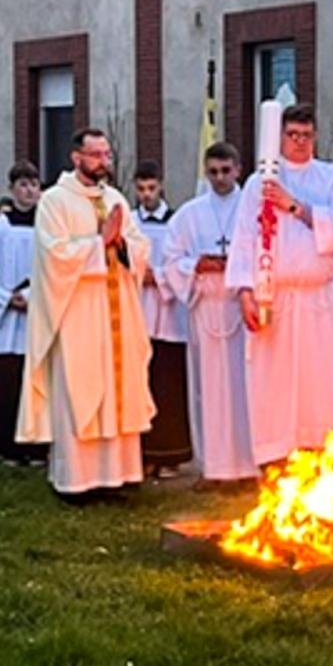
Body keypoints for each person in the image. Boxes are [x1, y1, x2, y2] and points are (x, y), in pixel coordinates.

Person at [17, 128, 155, 499]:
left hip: (118, 310)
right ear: (76, 158)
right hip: (78, 310)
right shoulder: (56, 201)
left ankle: (119, 476)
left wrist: (122, 243)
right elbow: (54, 256)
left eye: (107, 155)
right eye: (96, 155)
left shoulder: (115, 199)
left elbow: (140, 246)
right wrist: (100, 243)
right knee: (81, 387)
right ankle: (76, 480)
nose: (103, 162)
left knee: (119, 388)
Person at [226, 103, 333, 463]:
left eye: (306, 135)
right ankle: (275, 459)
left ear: (315, 137)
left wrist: (296, 206)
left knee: (322, 382)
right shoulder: (260, 182)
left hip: (318, 298)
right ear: (280, 137)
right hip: (276, 296)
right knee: (274, 383)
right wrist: (244, 291)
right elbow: (243, 238)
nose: (299, 142)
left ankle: (323, 458)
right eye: (292, 135)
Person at [164, 142, 255, 488]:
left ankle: (248, 466)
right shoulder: (190, 213)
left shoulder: (253, 208)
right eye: (213, 172)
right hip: (206, 306)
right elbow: (171, 261)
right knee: (207, 388)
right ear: (206, 172)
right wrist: (197, 265)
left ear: (238, 168)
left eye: (226, 170)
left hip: (241, 306)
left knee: (244, 388)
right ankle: (213, 467)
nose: (220, 178)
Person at [0, 162, 45, 464]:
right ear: (12, 189)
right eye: (23, 185)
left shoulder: (47, 227)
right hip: (4, 317)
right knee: (5, 382)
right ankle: (6, 445)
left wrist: (31, 297)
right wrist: (6, 298)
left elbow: (53, 269)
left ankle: (35, 447)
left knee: (34, 381)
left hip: (35, 312)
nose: (29, 191)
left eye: (33, 185)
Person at [132, 159, 192, 476]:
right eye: (141, 189)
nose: (146, 195)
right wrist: (138, 274)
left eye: (151, 188)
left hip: (169, 314)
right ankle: (142, 453)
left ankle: (170, 455)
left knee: (168, 383)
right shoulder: (129, 221)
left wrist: (163, 278)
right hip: (139, 309)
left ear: (161, 186)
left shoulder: (177, 221)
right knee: (141, 383)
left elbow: (182, 260)